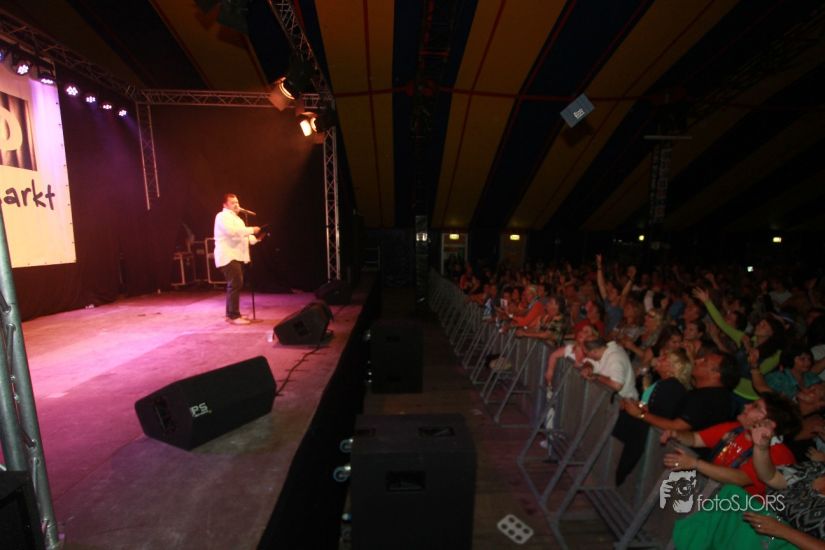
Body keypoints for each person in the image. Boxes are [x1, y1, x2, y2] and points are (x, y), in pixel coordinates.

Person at [214, 193, 261, 325]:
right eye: (233, 202)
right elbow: (231, 232)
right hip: (228, 255)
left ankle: (230, 314)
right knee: (235, 284)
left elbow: (242, 235)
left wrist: (255, 238)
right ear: (225, 205)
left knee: (234, 284)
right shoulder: (222, 216)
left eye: (237, 202)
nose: (236, 205)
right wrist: (251, 230)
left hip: (237, 255)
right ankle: (234, 316)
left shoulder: (239, 220)